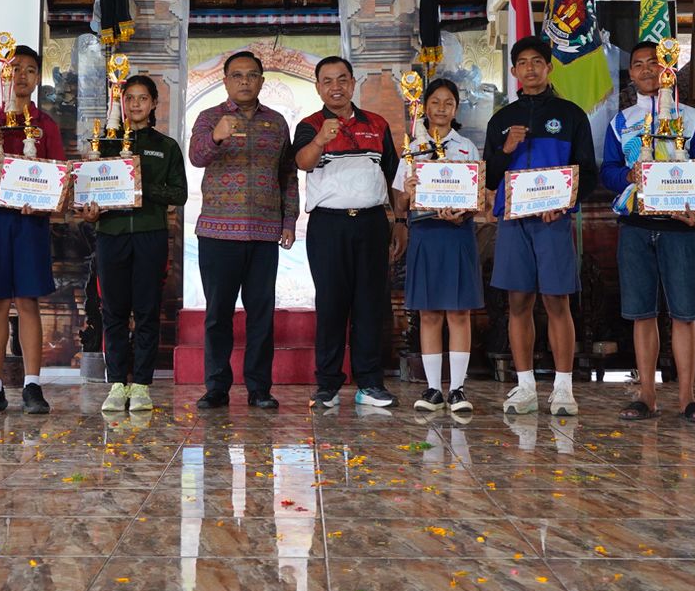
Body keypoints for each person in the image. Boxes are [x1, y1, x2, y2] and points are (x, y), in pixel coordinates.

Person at [602, 40, 695, 423]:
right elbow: (607, 171)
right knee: (642, 314)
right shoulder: (621, 122)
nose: (647, 70)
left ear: (668, 67)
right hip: (636, 226)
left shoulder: (692, 119)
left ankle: (687, 398)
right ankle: (647, 396)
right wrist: (628, 175)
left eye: (654, 62)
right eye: (639, 64)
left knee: (685, 313)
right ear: (631, 74)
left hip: (679, 227)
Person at [484, 36, 597, 417]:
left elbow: (587, 171)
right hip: (514, 222)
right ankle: (526, 387)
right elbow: (490, 176)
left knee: (557, 301)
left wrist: (564, 203)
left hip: (554, 221)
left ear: (548, 68)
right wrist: (506, 150)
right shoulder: (501, 120)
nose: (530, 68)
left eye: (537, 62)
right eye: (523, 63)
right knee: (518, 303)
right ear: (513, 70)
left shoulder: (571, 115)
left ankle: (563, 389)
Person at [188, 51, 298, 410]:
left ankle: (259, 388)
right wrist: (216, 137)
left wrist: (289, 221)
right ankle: (216, 387)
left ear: (262, 81)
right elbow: (196, 156)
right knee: (218, 314)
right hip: (217, 232)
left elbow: (288, 175)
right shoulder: (209, 117)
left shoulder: (277, 122)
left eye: (252, 75)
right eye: (237, 75)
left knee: (261, 315)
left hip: (265, 233)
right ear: (226, 81)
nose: (245, 81)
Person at [0, 44, 64, 416]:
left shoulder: (46, 124)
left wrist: (42, 202)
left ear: (37, 79)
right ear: (4, 74)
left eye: (30, 70)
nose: (22, 76)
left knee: (28, 300)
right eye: (15, 68)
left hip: (30, 219)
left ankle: (32, 384)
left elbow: (57, 178)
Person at [295, 56, 404, 408]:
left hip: (372, 222)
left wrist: (400, 221)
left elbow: (394, 177)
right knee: (331, 304)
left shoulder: (377, 123)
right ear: (318, 88)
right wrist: (320, 140)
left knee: (370, 304)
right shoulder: (310, 125)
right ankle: (327, 385)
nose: (336, 87)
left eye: (342, 79)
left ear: (353, 83)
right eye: (327, 81)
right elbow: (302, 162)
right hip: (328, 225)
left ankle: (369, 384)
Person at [86, 75, 188, 414]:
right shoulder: (105, 145)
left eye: (143, 98)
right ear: (121, 103)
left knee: (146, 312)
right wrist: (89, 210)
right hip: (110, 235)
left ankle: (142, 385)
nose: (136, 104)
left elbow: (180, 194)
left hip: (150, 235)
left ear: (154, 103)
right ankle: (117, 383)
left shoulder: (166, 146)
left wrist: (140, 183)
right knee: (113, 312)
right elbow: (88, 191)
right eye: (129, 98)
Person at [392, 78, 483, 415]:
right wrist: (409, 189)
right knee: (429, 312)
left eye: (448, 103)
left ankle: (457, 390)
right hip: (425, 234)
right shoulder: (412, 148)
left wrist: (462, 213)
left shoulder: (467, 147)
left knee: (459, 312)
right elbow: (400, 203)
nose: (441, 108)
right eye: (435, 102)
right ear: (425, 107)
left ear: (456, 109)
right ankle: (432, 389)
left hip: (457, 234)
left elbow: (477, 198)